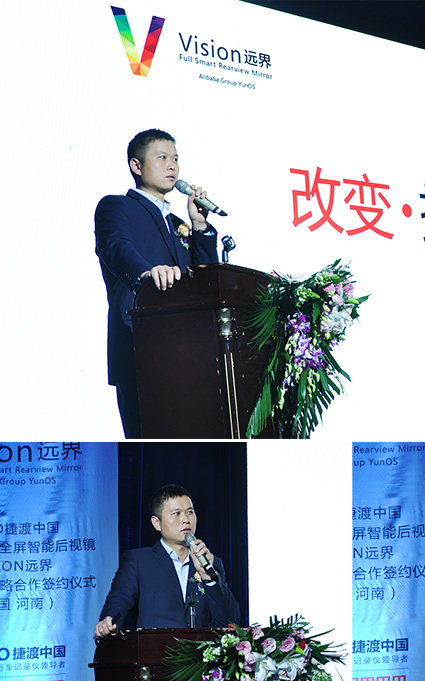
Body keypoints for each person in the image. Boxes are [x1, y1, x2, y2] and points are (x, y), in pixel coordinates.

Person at [94, 129, 219, 438]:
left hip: (188, 352)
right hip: (140, 343)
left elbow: (204, 278)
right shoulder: (117, 206)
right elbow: (114, 247)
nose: (172, 165)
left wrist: (199, 226)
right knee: (150, 442)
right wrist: (146, 274)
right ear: (136, 166)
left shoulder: (178, 222)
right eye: (162, 157)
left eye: (175, 158)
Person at [94, 484, 242, 638]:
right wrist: (108, 623)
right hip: (154, 650)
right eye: (176, 513)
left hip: (200, 652)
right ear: (156, 523)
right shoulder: (139, 561)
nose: (186, 520)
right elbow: (119, 599)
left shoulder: (211, 563)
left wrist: (209, 579)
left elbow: (230, 622)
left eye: (190, 512)